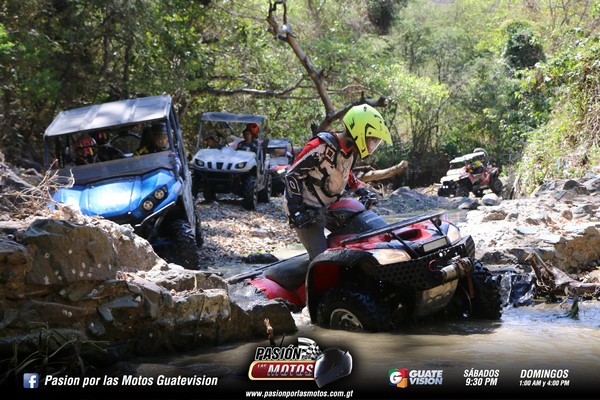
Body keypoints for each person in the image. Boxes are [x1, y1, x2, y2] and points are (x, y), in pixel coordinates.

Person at [283, 104, 392, 259]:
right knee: (322, 258)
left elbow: (344, 171)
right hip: (307, 210)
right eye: (371, 140)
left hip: (330, 206)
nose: (371, 145)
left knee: (363, 236)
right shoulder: (320, 146)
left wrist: (361, 189)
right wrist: (296, 211)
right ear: (359, 132)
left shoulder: (351, 151)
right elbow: (292, 175)